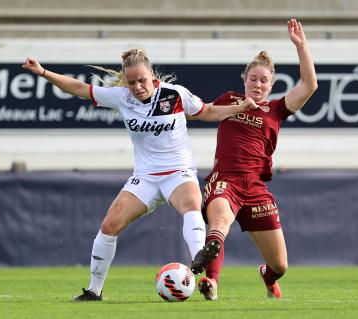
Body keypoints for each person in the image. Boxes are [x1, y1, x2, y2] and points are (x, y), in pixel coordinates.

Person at [22, 49, 257, 301]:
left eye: (141, 80)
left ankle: (199, 257)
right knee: (109, 226)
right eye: (131, 82)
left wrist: (238, 108)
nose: (137, 87)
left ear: (152, 76)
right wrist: (43, 72)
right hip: (145, 176)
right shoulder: (121, 97)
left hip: (178, 171)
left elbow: (208, 111)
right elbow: (79, 88)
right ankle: (94, 290)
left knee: (191, 204)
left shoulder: (175, 94)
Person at [196, 19, 318, 300]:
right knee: (219, 224)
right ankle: (211, 282)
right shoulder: (229, 99)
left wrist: (301, 46)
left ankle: (267, 275)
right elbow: (203, 112)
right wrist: (239, 106)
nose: (258, 84)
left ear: (271, 84)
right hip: (225, 179)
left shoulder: (276, 109)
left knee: (280, 265)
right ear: (245, 80)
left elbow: (310, 85)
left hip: (255, 188)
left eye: (264, 80)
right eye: (253, 79)